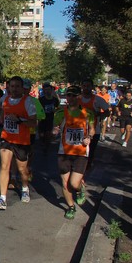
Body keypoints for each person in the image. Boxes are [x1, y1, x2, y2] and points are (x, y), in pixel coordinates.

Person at [0, 76, 37, 210]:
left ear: (22, 88)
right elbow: (2, 117)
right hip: (6, 138)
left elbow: (34, 122)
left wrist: (19, 120)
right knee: (4, 166)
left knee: (22, 169)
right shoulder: (4, 100)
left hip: (21, 140)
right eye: (12, 86)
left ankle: (24, 188)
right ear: (8, 87)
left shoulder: (28, 102)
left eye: (17, 86)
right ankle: (2, 198)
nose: (14, 89)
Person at [53, 86, 95, 219]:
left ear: (79, 97)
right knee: (65, 183)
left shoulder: (88, 113)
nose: (70, 98)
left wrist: (89, 137)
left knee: (73, 184)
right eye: (68, 95)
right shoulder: (60, 112)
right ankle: (71, 207)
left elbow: (92, 130)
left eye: (73, 95)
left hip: (81, 152)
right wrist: (54, 131)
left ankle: (79, 188)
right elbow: (55, 127)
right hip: (64, 152)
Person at [38, 82, 60, 153]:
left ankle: (46, 147)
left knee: (48, 134)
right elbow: (38, 109)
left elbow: (58, 107)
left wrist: (55, 110)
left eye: (48, 89)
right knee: (41, 135)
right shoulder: (41, 100)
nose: (47, 91)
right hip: (42, 120)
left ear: (51, 90)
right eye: (45, 90)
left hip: (50, 119)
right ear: (43, 91)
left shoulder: (54, 100)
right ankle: (43, 143)